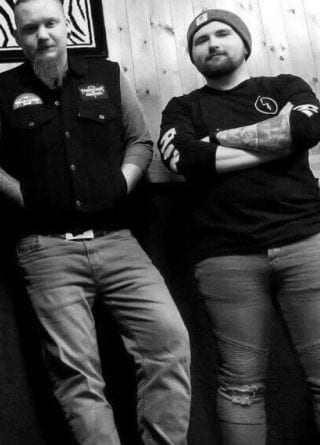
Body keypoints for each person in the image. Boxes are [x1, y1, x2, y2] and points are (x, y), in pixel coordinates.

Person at [0, 1, 192, 443]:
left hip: (119, 242)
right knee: (77, 376)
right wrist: (26, 196)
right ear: (17, 37)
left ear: (68, 25)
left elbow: (140, 141)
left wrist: (121, 184)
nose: (42, 35)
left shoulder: (109, 76)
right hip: (46, 249)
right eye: (30, 28)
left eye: (50, 23)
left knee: (170, 345)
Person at [159, 9, 320, 445]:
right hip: (225, 257)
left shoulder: (283, 86)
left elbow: (306, 126)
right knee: (242, 387)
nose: (212, 43)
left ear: (244, 44)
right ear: (193, 55)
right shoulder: (182, 107)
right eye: (200, 39)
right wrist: (276, 141)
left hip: (306, 243)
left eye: (223, 33)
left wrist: (215, 141)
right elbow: (181, 158)